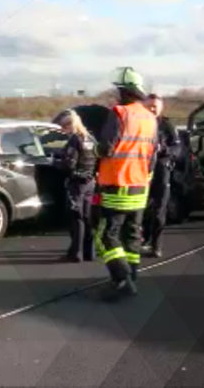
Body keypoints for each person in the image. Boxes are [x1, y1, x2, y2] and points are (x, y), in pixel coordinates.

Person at [95, 67, 157, 299]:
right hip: (140, 185)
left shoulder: (119, 113)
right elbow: (152, 155)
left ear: (125, 91)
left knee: (105, 236)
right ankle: (132, 277)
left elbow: (106, 148)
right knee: (131, 234)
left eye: (119, 90)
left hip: (117, 183)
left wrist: (92, 147)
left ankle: (121, 280)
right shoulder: (150, 118)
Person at [53, 109, 97, 263]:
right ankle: (89, 253)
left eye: (64, 127)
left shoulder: (74, 140)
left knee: (76, 218)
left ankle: (75, 253)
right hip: (90, 182)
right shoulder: (90, 138)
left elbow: (69, 164)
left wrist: (56, 162)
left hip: (77, 183)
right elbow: (97, 159)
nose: (64, 131)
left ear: (70, 125)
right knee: (87, 217)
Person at [141, 93, 181, 258]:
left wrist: (165, 151)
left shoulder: (166, 125)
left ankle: (156, 246)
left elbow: (177, 149)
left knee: (159, 210)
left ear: (160, 108)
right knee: (140, 210)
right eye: (148, 106)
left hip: (160, 171)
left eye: (154, 107)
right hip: (140, 172)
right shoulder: (139, 124)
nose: (151, 109)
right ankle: (143, 240)